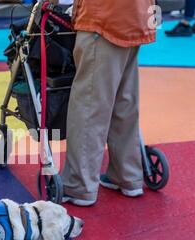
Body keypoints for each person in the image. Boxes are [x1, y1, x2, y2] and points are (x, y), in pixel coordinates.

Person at [61, 0, 157, 206]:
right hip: (137, 16)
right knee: (124, 102)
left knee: (89, 106)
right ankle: (128, 175)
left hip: (103, 18)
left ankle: (79, 185)